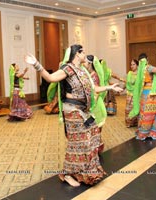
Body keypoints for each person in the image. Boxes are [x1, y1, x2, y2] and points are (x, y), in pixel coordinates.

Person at [25, 44, 123, 187]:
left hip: (84, 110)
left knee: (93, 137)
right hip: (72, 110)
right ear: (77, 54)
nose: (86, 55)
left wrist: (109, 87)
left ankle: (81, 171)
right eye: (84, 53)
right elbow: (51, 78)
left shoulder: (83, 71)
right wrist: (36, 64)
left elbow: (93, 88)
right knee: (78, 142)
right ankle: (66, 174)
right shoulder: (68, 68)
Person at [129, 51, 156, 140]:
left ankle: (143, 131)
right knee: (154, 112)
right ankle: (153, 132)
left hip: (143, 94)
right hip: (151, 94)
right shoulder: (148, 68)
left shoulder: (140, 70)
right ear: (147, 59)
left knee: (145, 113)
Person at [84, 55, 107, 153]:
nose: (83, 63)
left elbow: (96, 93)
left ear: (89, 64)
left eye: (85, 62)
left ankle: (96, 148)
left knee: (94, 127)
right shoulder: (89, 75)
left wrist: (90, 106)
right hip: (91, 104)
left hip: (95, 105)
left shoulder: (94, 76)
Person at [125, 59, 139, 128]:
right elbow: (127, 83)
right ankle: (129, 123)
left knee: (135, 108)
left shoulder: (140, 74)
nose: (132, 66)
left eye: (133, 64)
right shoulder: (129, 73)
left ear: (137, 65)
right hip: (129, 94)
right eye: (131, 64)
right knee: (128, 109)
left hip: (137, 94)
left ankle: (136, 122)